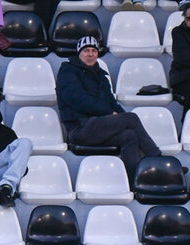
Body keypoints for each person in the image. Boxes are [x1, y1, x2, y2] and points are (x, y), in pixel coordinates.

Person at [56, 36, 162, 180]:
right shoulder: (67, 72)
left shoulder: (101, 76)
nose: (90, 54)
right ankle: (158, 160)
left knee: (129, 135)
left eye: (94, 50)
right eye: (86, 50)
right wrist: (111, 114)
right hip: (79, 128)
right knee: (131, 118)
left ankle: (135, 180)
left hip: (100, 126)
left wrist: (119, 116)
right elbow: (79, 100)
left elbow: (113, 103)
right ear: (78, 53)